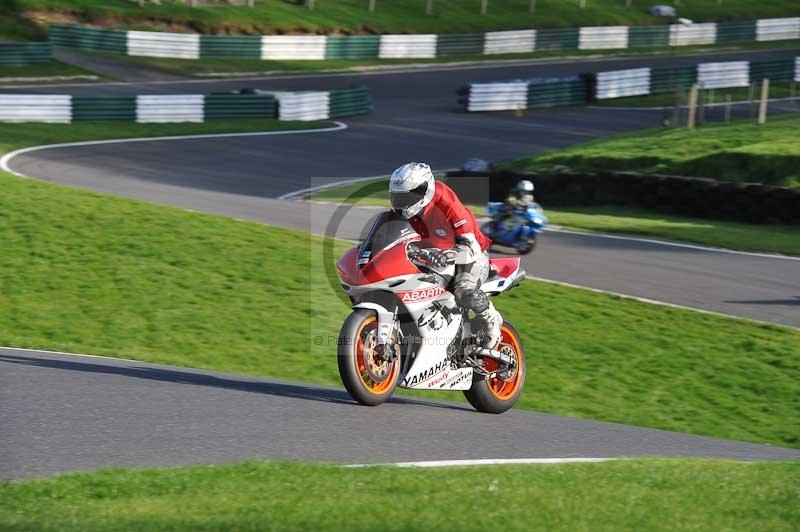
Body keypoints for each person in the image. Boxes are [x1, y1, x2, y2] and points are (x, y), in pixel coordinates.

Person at [388, 162, 502, 350]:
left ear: (424, 191)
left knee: (464, 290)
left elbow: (470, 247)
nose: (402, 202)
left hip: (469, 256)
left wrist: (446, 256)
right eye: (397, 196)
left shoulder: (447, 202)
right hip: (430, 256)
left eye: (407, 196)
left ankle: (492, 321)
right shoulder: (400, 211)